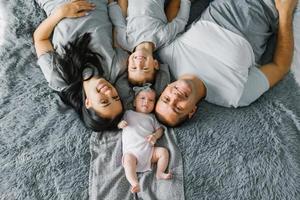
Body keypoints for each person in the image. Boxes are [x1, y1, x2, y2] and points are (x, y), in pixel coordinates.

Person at [155, 0, 299, 126]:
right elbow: (280, 67)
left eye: (166, 99)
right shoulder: (235, 96)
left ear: (165, 88)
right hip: (267, 6)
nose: (175, 97)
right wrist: (285, 12)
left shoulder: (168, 55)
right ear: (192, 111)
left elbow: (176, 7)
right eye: (178, 108)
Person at [33, 0, 130, 131]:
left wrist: (61, 12)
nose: (109, 92)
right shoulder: (116, 67)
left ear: (88, 103)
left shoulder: (60, 78)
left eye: (104, 101)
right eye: (115, 97)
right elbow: (119, 25)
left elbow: (40, 39)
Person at [108, 0, 191, 85]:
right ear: (155, 64)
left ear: (128, 63)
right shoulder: (162, 37)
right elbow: (181, 21)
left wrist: (111, 3)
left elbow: (118, 20)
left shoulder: (124, 41)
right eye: (145, 68)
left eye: (134, 67)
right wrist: (186, 1)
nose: (139, 63)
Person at [118, 84, 172, 193]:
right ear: (134, 102)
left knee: (163, 152)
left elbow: (160, 130)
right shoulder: (128, 113)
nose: (146, 102)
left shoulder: (152, 118)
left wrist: (155, 136)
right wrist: (120, 124)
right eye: (142, 98)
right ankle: (134, 182)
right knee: (127, 160)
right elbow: (118, 123)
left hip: (149, 152)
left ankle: (160, 173)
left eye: (151, 100)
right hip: (132, 153)